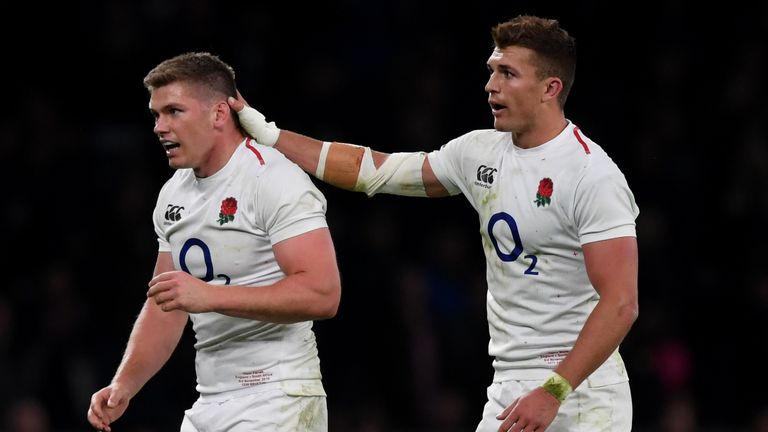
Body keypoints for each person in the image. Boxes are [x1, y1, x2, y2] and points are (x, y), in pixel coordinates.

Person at [230, 14, 639, 432]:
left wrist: (555, 391)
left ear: (550, 88)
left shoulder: (593, 175)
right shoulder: (478, 152)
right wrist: (269, 134)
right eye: (492, 71)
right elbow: (375, 171)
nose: (491, 85)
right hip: (509, 385)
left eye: (508, 73)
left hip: (582, 393)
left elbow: (621, 303)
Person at [87, 52, 341, 432]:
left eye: (174, 111)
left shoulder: (273, 179)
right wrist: (125, 383)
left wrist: (209, 297)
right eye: (156, 115)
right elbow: (167, 304)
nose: (159, 126)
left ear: (219, 114)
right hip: (210, 401)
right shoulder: (173, 195)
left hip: (279, 398)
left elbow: (323, 294)